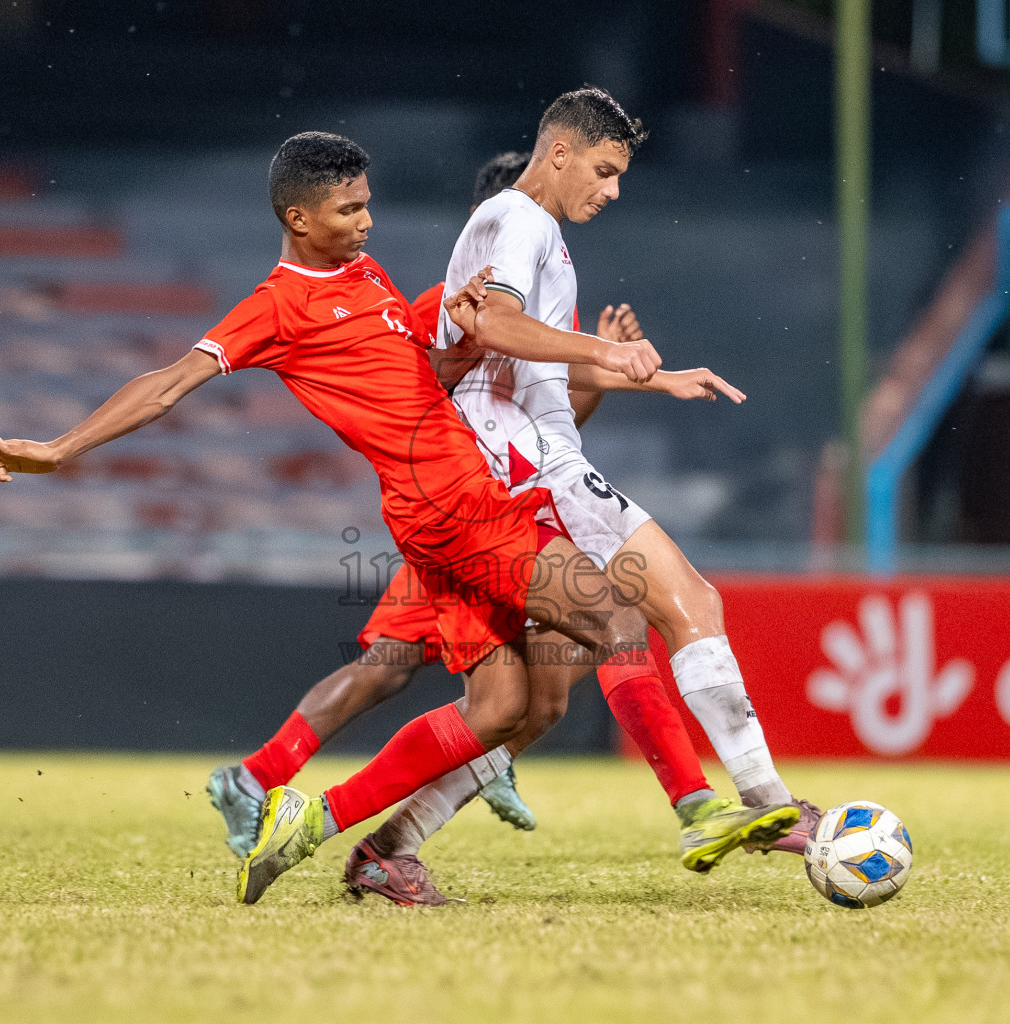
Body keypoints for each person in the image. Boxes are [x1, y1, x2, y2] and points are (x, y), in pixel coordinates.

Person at [0, 131, 731, 906]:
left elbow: (416, 378)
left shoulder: (365, 274)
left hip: (446, 508)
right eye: (348, 209)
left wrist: (466, 338)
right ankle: (698, 807)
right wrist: (60, 449)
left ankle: (316, 823)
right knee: (617, 620)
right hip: (454, 509)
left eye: (368, 202)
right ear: (299, 219)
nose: (368, 221)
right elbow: (168, 383)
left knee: (504, 708)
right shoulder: (278, 306)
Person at [341, 87, 818, 904]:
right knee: (677, 604)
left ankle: (387, 847)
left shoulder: (534, 231)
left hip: (522, 452)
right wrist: (607, 349)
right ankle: (764, 804)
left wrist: (657, 377)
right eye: (604, 170)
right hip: (519, 462)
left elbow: (535, 362)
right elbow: (495, 327)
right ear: (558, 151)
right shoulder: (521, 221)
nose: (614, 190)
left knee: (537, 701)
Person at [206, 153, 711, 890]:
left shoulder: (547, 314)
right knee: (405, 667)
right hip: (458, 520)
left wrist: (644, 376)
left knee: (525, 696)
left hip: (507, 512)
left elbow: (557, 425)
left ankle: (384, 808)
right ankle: (268, 781)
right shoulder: (453, 299)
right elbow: (406, 383)